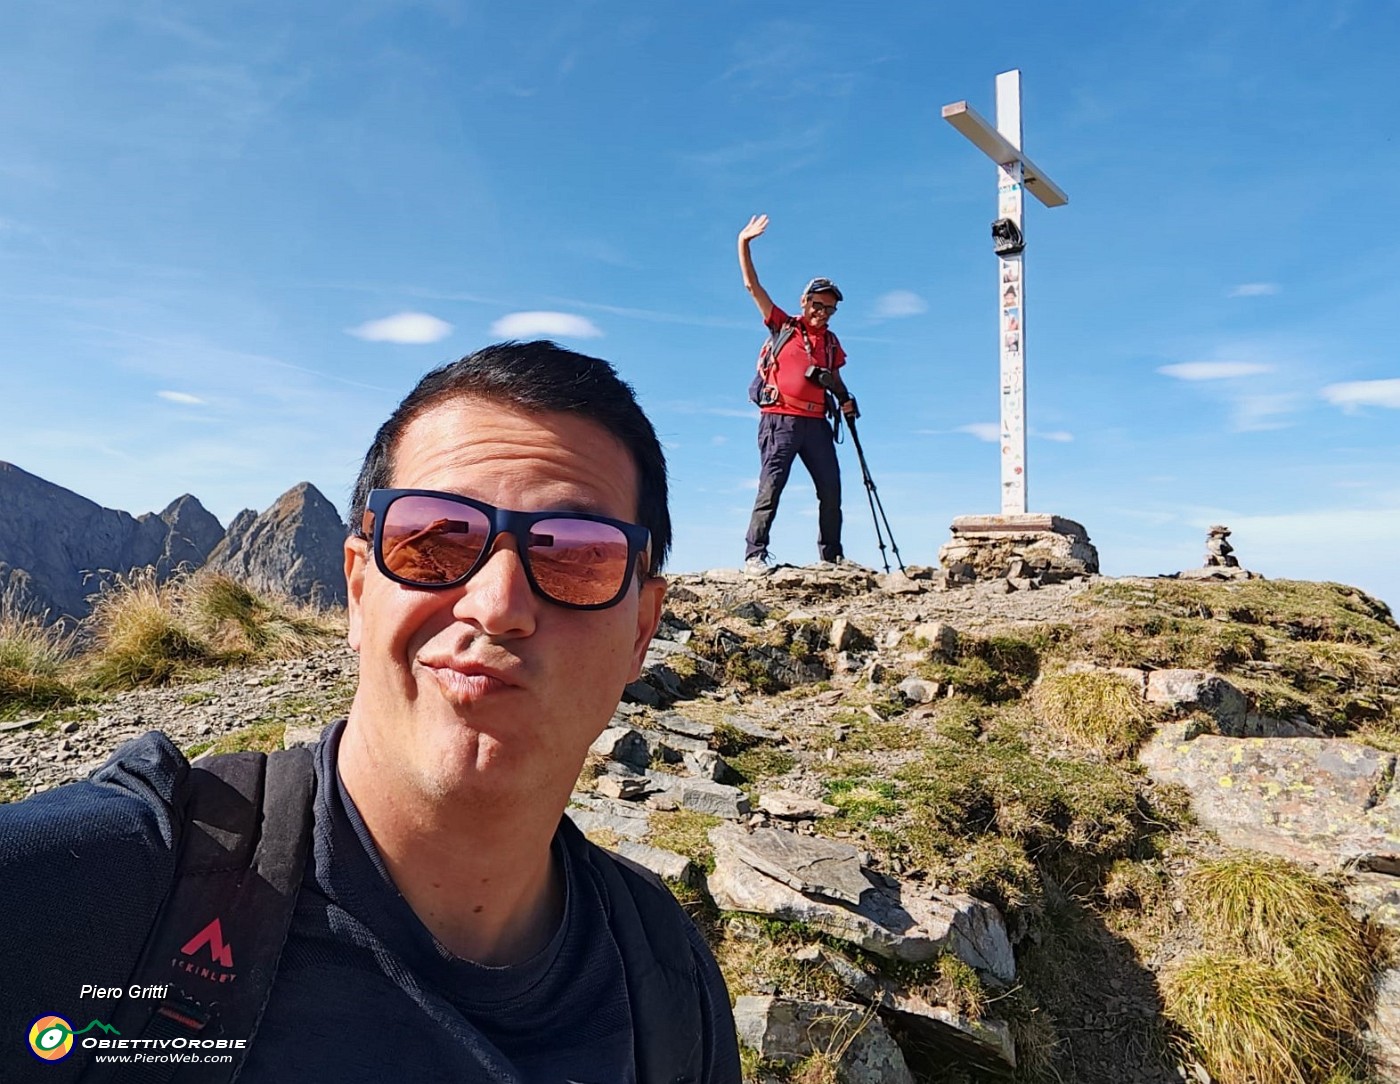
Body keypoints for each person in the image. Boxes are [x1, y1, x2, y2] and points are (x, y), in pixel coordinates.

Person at [0, 341, 741, 1083]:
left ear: (642, 629)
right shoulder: (104, 887)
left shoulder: (672, 981)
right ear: (358, 589)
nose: (498, 606)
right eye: (435, 540)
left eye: (577, 555)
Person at [737, 213, 857, 574]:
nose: (822, 312)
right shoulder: (784, 326)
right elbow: (752, 287)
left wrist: (847, 399)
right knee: (771, 487)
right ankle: (754, 555)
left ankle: (832, 557)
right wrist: (743, 243)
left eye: (829, 308)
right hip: (781, 419)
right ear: (804, 302)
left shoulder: (831, 343)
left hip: (817, 422)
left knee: (831, 491)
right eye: (817, 305)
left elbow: (833, 378)